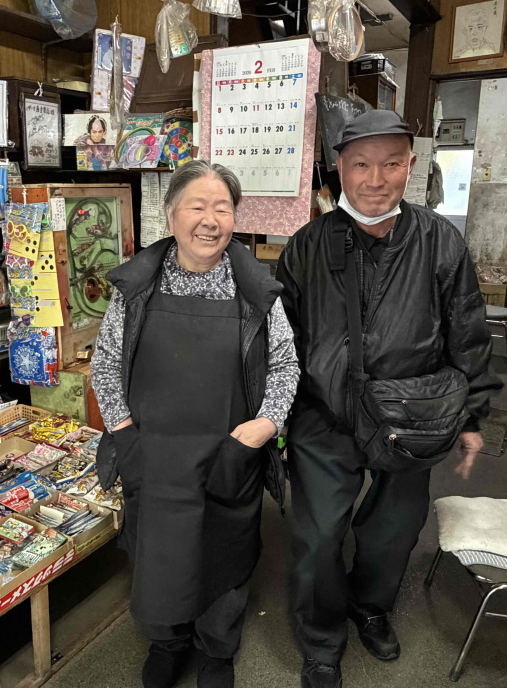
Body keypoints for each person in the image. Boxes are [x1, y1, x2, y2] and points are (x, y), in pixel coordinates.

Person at [277, 110, 501, 688]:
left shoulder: (438, 239)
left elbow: (467, 330)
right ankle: (321, 639)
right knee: (318, 533)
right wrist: (273, 419)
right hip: (324, 416)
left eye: (392, 164)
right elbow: (282, 340)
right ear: (339, 171)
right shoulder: (306, 245)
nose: (376, 179)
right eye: (361, 165)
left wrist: (471, 417)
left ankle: (370, 606)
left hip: (413, 415)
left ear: (410, 166)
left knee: (394, 527)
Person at [92, 160, 299, 688]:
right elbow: (106, 363)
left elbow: (285, 363)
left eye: (222, 208)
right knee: (158, 554)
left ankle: (216, 650)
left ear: (234, 218)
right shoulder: (136, 286)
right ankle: (168, 642)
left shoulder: (254, 290)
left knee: (223, 553)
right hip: (153, 456)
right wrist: (123, 434)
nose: (210, 220)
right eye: (197, 206)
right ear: (171, 214)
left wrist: (263, 426)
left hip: (226, 453)